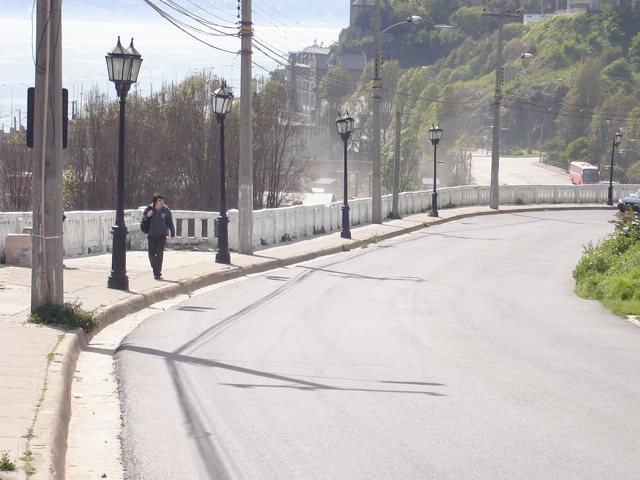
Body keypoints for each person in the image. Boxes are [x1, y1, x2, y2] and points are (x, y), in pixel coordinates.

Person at [143, 193, 175, 279]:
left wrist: (172, 233)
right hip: (152, 235)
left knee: (160, 254)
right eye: (159, 201)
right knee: (151, 254)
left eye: (162, 200)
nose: (161, 202)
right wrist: (147, 216)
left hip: (161, 235)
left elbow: (170, 222)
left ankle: (157, 273)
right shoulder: (149, 209)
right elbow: (143, 221)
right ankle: (155, 269)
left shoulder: (166, 210)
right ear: (155, 202)